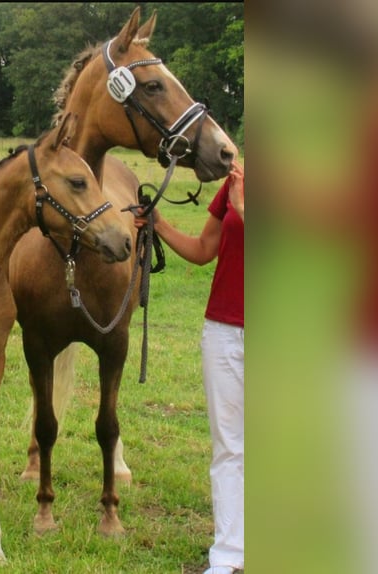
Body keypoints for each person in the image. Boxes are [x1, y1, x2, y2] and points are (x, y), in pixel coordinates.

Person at [135, 160, 244, 574]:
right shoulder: (238, 183)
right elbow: (203, 251)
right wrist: (159, 225)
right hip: (223, 329)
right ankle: (228, 555)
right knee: (228, 447)